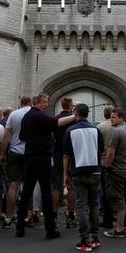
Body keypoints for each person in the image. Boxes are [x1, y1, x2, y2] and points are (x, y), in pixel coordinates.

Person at [15, 93, 75, 239]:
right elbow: (56, 123)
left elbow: (22, 137)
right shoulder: (38, 115)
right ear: (38, 103)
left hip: (29, 157)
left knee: (27, 191)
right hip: (41, 157)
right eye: (45, 102)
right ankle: (50, 229)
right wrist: (74, 116)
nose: (47, 104)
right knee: (46, 192)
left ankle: (19, 227)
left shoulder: (27, 117)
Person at [63, 103, 104, 252]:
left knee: (80, 205)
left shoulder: (70, 130)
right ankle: (94, 236)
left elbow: (66, 155)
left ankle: (85, 238)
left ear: (76, 113)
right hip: (94, 171)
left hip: (78, 171)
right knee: (93, 204)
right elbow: (101, 151)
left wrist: (66, 174)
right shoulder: (95, 130)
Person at [103, 108, 126, 238]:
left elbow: (110, 152)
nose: (111, 119)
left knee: (118, 198)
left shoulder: (116, 131)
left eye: (114, 117)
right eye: (111, 117)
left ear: (121, 117)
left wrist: (108, 165)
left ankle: (119, 228)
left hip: (117, 170)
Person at [1, 96, 32, 229]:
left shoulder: (13, 114)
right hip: (30, 152)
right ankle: (27, 215)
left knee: (13, 184)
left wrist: (2, 153)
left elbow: (6, 135)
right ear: (30, 102)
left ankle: (8, 217)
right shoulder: (34, 114)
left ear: (20, 103)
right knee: (27, 185)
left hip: (14, 152)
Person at [52, 97, 76, 228]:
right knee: (70, 184)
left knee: (56, 184)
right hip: (71, 154)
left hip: (57, 153)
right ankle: (71, 216)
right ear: (71, 105)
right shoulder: (74, 119)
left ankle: (54, 215)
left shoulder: (56, 118)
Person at [97, 106, 114, 229]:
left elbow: (97, 145)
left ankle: (107, 218)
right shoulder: (121, 127)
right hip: (118, 162)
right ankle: (121, 218)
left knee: (105, 190)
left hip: (104, 162)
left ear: (104, 115)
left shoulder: (101, 127)